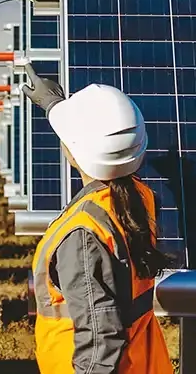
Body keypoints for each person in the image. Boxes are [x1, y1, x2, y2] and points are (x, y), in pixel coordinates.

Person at [21, 74, 173, 374]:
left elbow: (100, 340)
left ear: (74, 152)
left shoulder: (84, 235)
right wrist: (54, 105)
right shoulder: (140, 199)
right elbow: (105, 141)